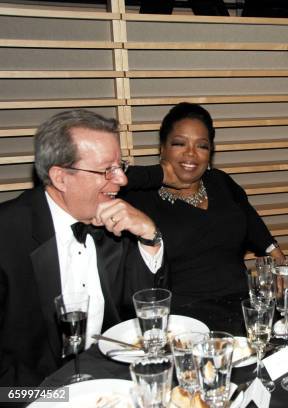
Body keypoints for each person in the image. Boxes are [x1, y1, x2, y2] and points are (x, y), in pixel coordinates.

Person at [0, 110, 167, 387]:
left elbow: (146, 311)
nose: (123, 180)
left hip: (115, 384)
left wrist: (150, 236)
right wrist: (56, 398)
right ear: (61, 178)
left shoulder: (116, 221)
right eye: (106, 170)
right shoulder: (7, 235)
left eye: (120, 166)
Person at [123, 102, 284, 310]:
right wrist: (158, 175)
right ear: (162, 148)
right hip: (182, 317)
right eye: (179, 144)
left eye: (202, 145)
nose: (191, 154)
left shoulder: (220, 182)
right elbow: (105, 177)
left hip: (243, 307)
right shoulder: (139, 197)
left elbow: (254, 226)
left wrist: (279, 260)